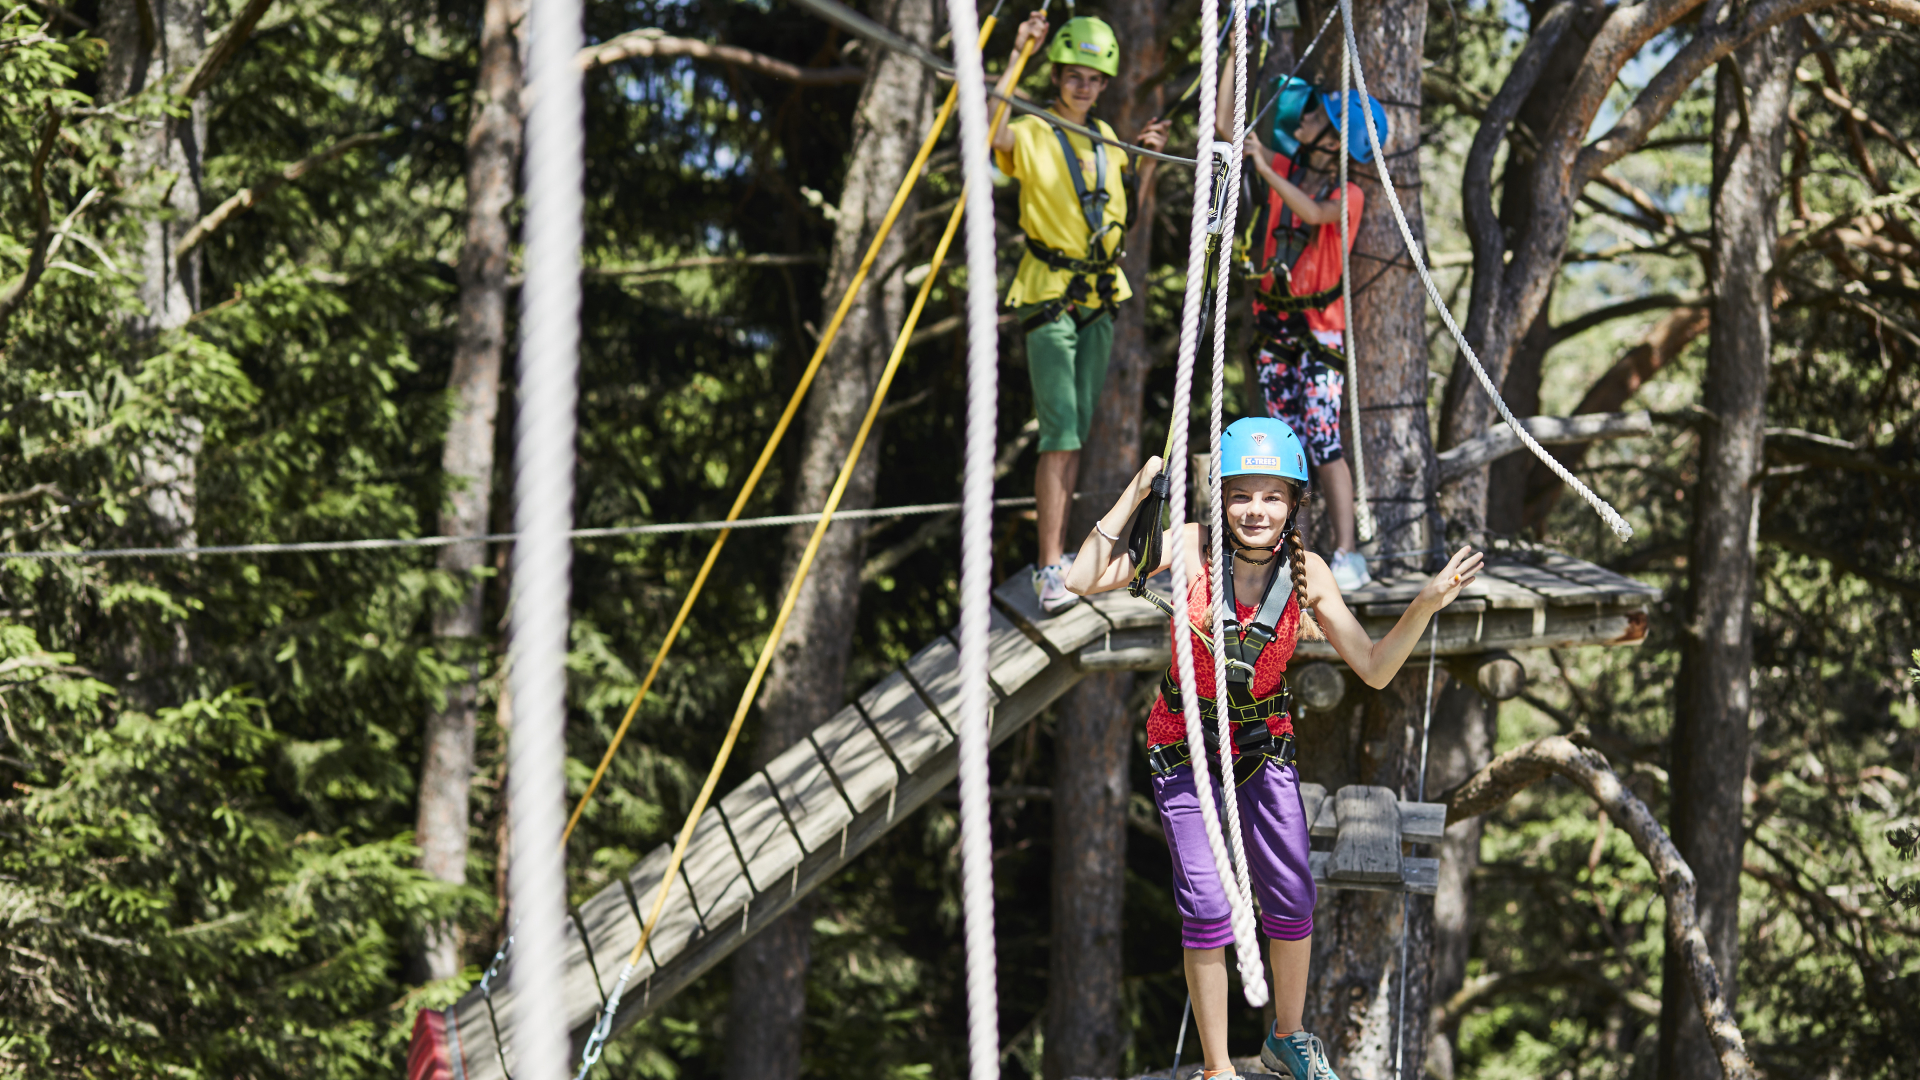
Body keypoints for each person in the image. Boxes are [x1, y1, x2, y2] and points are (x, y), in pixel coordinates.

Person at [1064, 416, 1482, 1080]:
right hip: (1186, 745)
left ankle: (1287, 1037)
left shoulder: (1307, 572)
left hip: (1262, 742)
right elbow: (1083, 577)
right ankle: (1216, 1069)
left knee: (1291, 895)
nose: (1255, 510)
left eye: (1272, 495)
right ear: (1221, 498)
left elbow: (1374, 668)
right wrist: (1139, 490)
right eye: (1241, 494)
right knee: (1206, 905)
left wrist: (1425, 606)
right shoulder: (1191, 547)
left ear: (1294, 503)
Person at [990, 11, 1172, 614]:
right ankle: (1049, 565)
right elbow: (991, 132)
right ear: (1058, 74)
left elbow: (1123, 224)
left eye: (1094, 79)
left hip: (1098, 300)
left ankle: (1062, 556)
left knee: (1076, 432)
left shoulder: (1105, 143)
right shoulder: (1034, 129)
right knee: (1060, 432)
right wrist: (1017, 55)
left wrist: (1143, 162)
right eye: (1074, 76)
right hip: (1048, 293)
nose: (1084, 87)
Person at [1218, 56, 1390, 592]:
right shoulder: (1288, 169)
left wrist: (1266, 169)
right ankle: (1285, 556)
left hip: (1318, 338)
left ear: (1336, 142)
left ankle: (1347, 553)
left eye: (1318, 117)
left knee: (1323, 442)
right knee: (1279, 446)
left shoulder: (1349, 194)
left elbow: (1316, 217)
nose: (1306, 119)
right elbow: (1225, 125)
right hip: (1277, 331)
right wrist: (1231, 57)